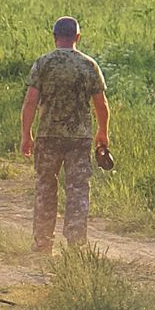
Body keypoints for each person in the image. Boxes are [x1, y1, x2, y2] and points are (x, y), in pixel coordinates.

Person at [18, 15, 112, 256]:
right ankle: (76, 246)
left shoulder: (43, 63)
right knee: (78, 189)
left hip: (48, 136)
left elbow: (30, 102)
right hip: (79, 139)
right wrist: (103, 131)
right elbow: (101, 105)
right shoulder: (88, 65)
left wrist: (26, 134)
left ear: (54, 37)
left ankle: (42, 244)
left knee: (45, 187)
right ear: (77, 37)